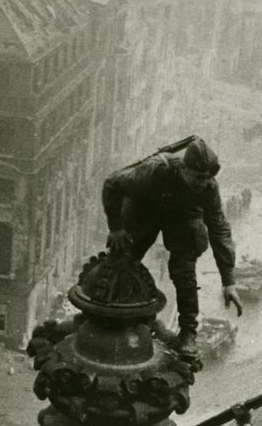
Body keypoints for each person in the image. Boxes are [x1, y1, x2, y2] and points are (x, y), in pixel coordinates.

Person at [102, 136, 241, 361]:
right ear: (184, 169)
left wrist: (229, 280)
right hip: (146, 207)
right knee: (123, 259)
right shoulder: (156, 170)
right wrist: (116, 228)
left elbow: (219, 229)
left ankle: (188, 334)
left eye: (208, 178)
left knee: (185, 271)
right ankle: (113, 312)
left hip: (183, 215)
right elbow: (112, 183)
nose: (203, 183)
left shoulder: (208, 188)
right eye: (198, 177)